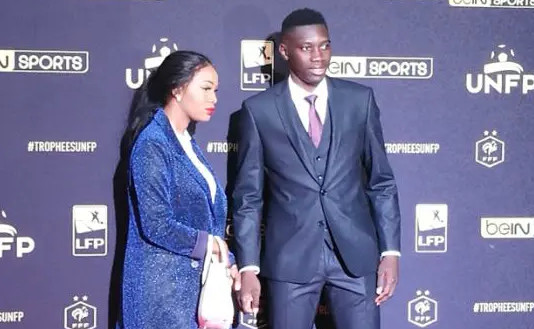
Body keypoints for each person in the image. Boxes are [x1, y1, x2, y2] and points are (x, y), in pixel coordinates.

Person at [232, 8, 401, 329]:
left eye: (324, 45)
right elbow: (248, 197)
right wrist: (248, 267)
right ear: (284, 50)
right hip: (290, 261)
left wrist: (391, 250)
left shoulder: (359, 100)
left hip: (355, 258)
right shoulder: (259, 111)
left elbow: (381, 182)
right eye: (306, 47)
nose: (318, 56)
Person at [119, 50, 238, 329]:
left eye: (216, 90)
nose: (214, 99)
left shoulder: (186, 142)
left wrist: (226, 261)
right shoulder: (153, 143)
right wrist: (208, 244)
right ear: (177, 89)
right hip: (162, 299)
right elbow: (156, 224)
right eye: (206, 89)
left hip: (196, 295)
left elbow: (207, 220)